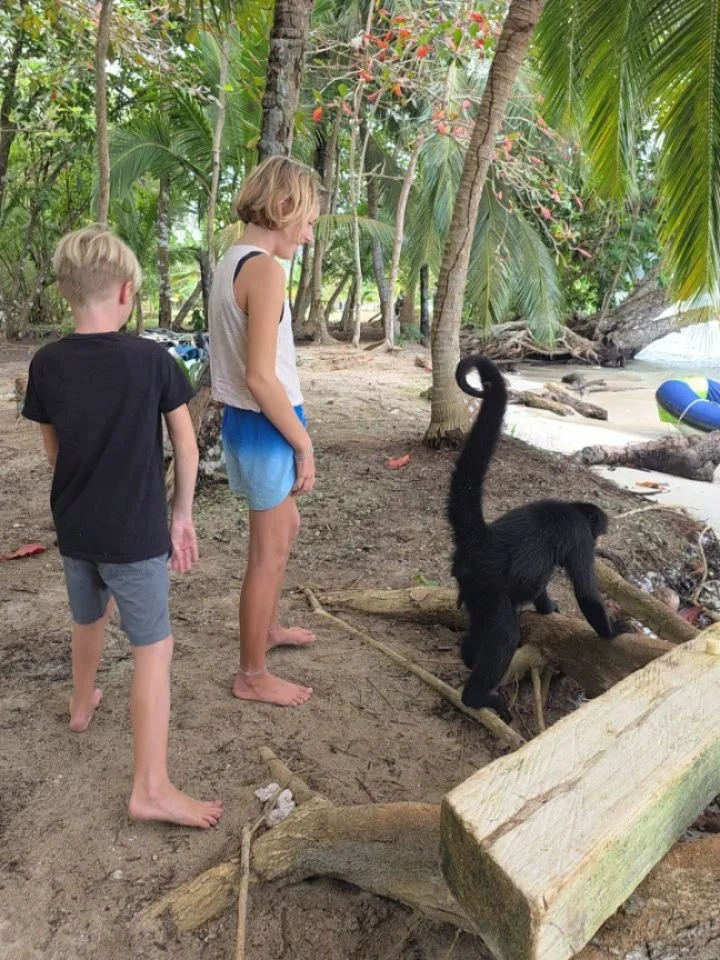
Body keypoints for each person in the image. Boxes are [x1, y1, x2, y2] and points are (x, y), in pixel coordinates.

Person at [22, 225, 222, 829]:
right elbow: (185, 446)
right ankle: (151, 788)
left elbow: (53, 453)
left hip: (75, 527)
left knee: (88, 616)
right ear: (127, 292)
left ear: (66, 292)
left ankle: (82, 704)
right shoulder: (151, 360)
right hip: (135, 535)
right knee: (153, 652)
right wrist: (181, 514)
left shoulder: (46, 363)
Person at [209, 156, 320, 708]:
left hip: (249, 421)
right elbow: (258, 375)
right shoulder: (265, 270)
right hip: (265, 424)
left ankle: (268, 628)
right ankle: (251, 673)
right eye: (306, 220)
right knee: (267, 555)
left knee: (284, 527)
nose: (307, 232)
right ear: (282, 208)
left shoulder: (231, 259)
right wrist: (302, 443)